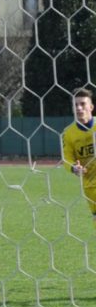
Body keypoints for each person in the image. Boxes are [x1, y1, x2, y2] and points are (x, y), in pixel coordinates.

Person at [62, 88, 96, 226]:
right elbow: (66, 158)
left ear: (91, 107)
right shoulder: (69, 133)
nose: (79, 108)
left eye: (82, 104)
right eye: (75, 105)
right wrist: (74, 168)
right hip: (91, 185)